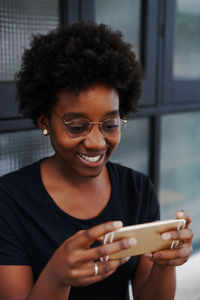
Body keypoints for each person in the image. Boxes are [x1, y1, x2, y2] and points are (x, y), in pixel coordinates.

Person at [0, 22, 193, 300]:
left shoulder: (137, 189)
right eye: (77, 126)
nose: (96, 142)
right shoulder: (9, 201)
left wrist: (166, 263)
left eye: (110, 124)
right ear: (45, 121)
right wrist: (56, 278)